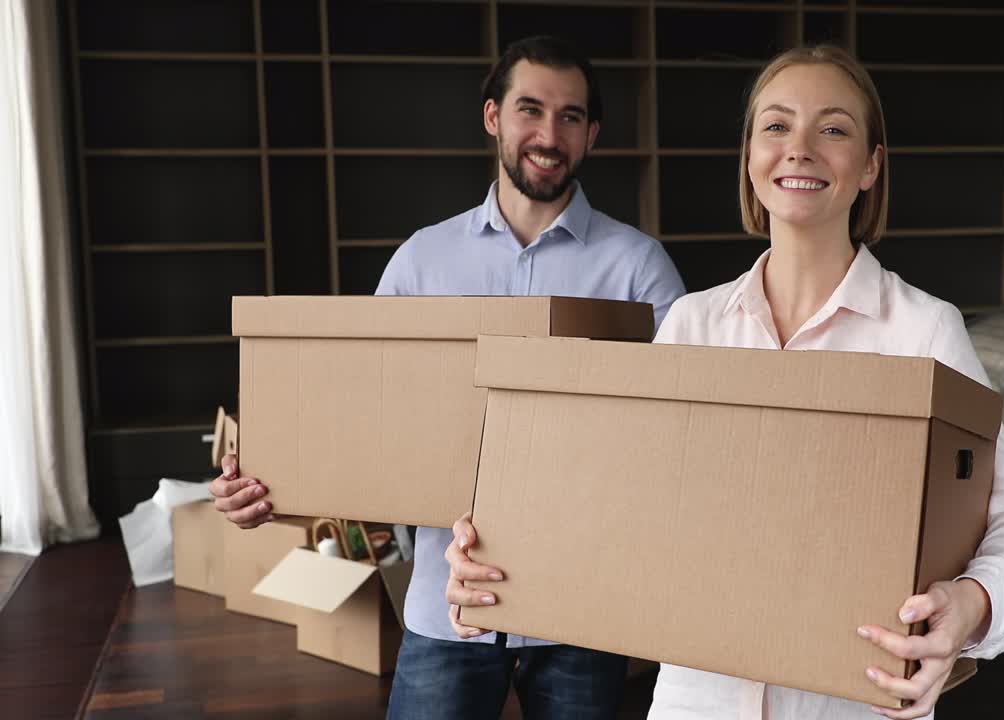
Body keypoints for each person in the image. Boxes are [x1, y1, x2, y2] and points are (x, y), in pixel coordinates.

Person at [447, 45, 1004, 720]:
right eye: (776, 126)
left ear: (871, 165)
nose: (800, 149)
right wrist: (503, 558)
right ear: (748, 157)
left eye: (833, 129)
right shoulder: (694, 323)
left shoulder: (924, 332)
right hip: (697, 703)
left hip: (853, 704)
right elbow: (623, 505)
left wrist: (970, 605)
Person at [210, 36, 686, 720]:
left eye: (571, 117)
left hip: (586, 613)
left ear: (593, 134)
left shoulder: (640, 269)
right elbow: (359, 419)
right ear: (493, 117)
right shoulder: (422, 261)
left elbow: (679, 433)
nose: (548, 135)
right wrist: (267, 483)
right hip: (446, 603)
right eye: (530, 110)